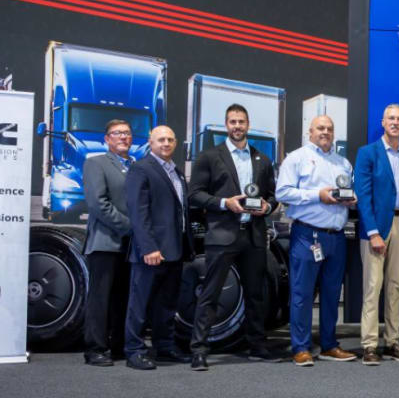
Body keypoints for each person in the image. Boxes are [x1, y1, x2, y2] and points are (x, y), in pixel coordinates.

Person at [187, 104, 279, 370]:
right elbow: (194, 195)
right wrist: (225, 203)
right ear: (226, 125)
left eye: (241, 122)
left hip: (253, 236)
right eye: (232, 122)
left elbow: (272, 195)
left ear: (248, 124)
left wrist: (268, 207)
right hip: (222, 235)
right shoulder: (209, 157)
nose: (237, 126)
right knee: (210, 294)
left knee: (255, 295)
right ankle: (199, 350)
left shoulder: (262, 158)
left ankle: (257, 346)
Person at [277, 115, 357, 367]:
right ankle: (300, 347)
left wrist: (350, 200)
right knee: (302, 293)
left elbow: (346, 191)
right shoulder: (296, 158)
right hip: (307, 235)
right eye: (320, 128)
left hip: (336, 236)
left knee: (332, 294)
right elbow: (283, 192)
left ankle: (329, 345)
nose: (325, 132)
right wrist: (318, 196)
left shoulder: (342, 162)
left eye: (329, 129)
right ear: (309, 132)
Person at [124, 125, 194, 370]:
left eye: (170, 139)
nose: (166, 143)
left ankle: (164, 347)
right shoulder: (141, 169)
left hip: (174, 250)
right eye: (161, 139)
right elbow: (138, 212)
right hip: (151, 252)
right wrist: (148, 247)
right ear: (150, 143)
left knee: (166, 305)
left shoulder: (176, 171)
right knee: (139, 304)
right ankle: (134, 351)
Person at [353, 104, 399, 365]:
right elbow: (363, 196)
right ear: (383, 122)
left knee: (395, 288)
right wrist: (372, 232)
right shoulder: (367, 153)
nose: (395, 122)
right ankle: (369, 345)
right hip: (376, 229)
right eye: (391, 118)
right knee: (372, 287)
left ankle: (393, 342)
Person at [82, 119, 134, 367]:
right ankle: (95, 349)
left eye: (127, 133)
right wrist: (130, 227)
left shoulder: (135, 166)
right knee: (100, 299)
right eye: (117, 133)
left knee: (122, 299)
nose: (123, 137)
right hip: (105, 242)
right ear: (107, 138)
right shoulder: (95, 163)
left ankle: (118, 345)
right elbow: (98, 204)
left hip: (130, 246)